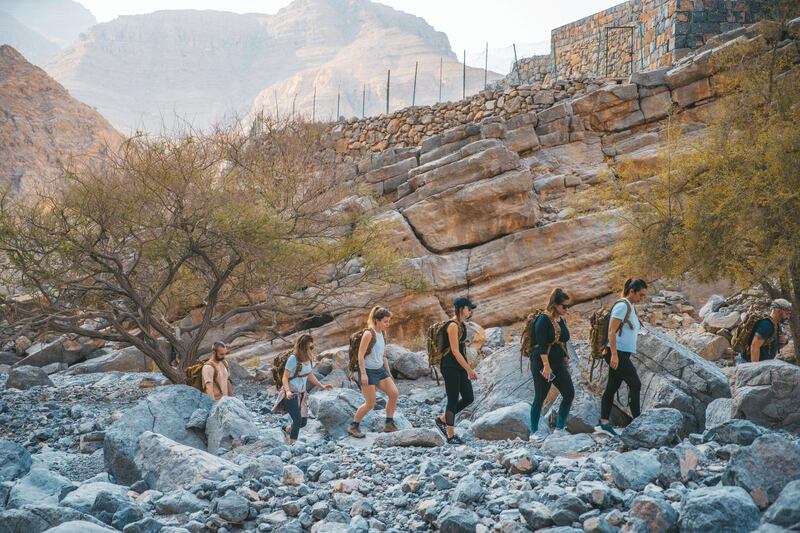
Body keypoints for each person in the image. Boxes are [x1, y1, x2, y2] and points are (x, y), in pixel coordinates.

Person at [596, 278, 648, 437]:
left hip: (621, 353)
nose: (642, 298)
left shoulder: (630, 306)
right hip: (616, 352)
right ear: (632, 291)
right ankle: (637, 422)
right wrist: (614, 355)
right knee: (635, 384)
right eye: (641, 294)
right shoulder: (621, 306)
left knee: (612, 386)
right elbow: (611, 331)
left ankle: (604, 423)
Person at [529, 288, 574, 440]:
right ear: (555, 304)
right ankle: (534, 432)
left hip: (558, 363)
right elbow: (541, 345)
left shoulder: (561, 319)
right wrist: (546, 367)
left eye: (569, 306)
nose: (566, 309)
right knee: (540, 397)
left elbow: (562, 341)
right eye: (564, 306)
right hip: (542, 364)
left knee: (569, 393)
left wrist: (566, 358)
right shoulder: (543, 319)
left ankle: (560, 428)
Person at [347, 306, 400, 438]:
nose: (388, 324)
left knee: (394, 394)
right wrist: (363, 374)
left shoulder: (382, 333)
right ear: (377, 320)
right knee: (371, 403)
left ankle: (389, 423)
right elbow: (360, 355)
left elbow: (383, 355)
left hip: (380, 370)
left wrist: (389, 373)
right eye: (385, 321)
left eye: (388, 321)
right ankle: (353, 426)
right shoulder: (368, 334)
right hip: (368, 371)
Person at [272, 334, 332, 444]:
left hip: (301, 393)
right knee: (297, 419)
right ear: (302, 347)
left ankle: (286, 429)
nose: (311, 349)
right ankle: (292, 444)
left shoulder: (308, 359)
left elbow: (309, 374)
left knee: (303, 422)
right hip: (290, 393)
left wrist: (321, 386)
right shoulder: (293, 359)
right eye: (309, 347)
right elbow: (284, 378)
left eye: (312, 347)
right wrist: (287, 391)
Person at [434, 297, 478, 445]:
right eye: (468, 308)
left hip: (459, 365)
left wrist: (466, 367)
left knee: (468, 397)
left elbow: (462, 350)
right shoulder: (452, 326)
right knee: (452, 399)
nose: (470, 311)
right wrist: (469, 369)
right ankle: (450, 435)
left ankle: (442, 420)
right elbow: (454, 351)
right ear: (461, 308)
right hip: (449, 366)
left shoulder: (461, 325)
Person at [747, 298, 793, 362]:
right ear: (778, 311)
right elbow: (754, 346)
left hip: (765, 363)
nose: (788, 317)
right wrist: (755, 368)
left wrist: (784, 341)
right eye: (787, 314)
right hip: (751, 363)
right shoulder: (766, 325)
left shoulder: (775, 324)